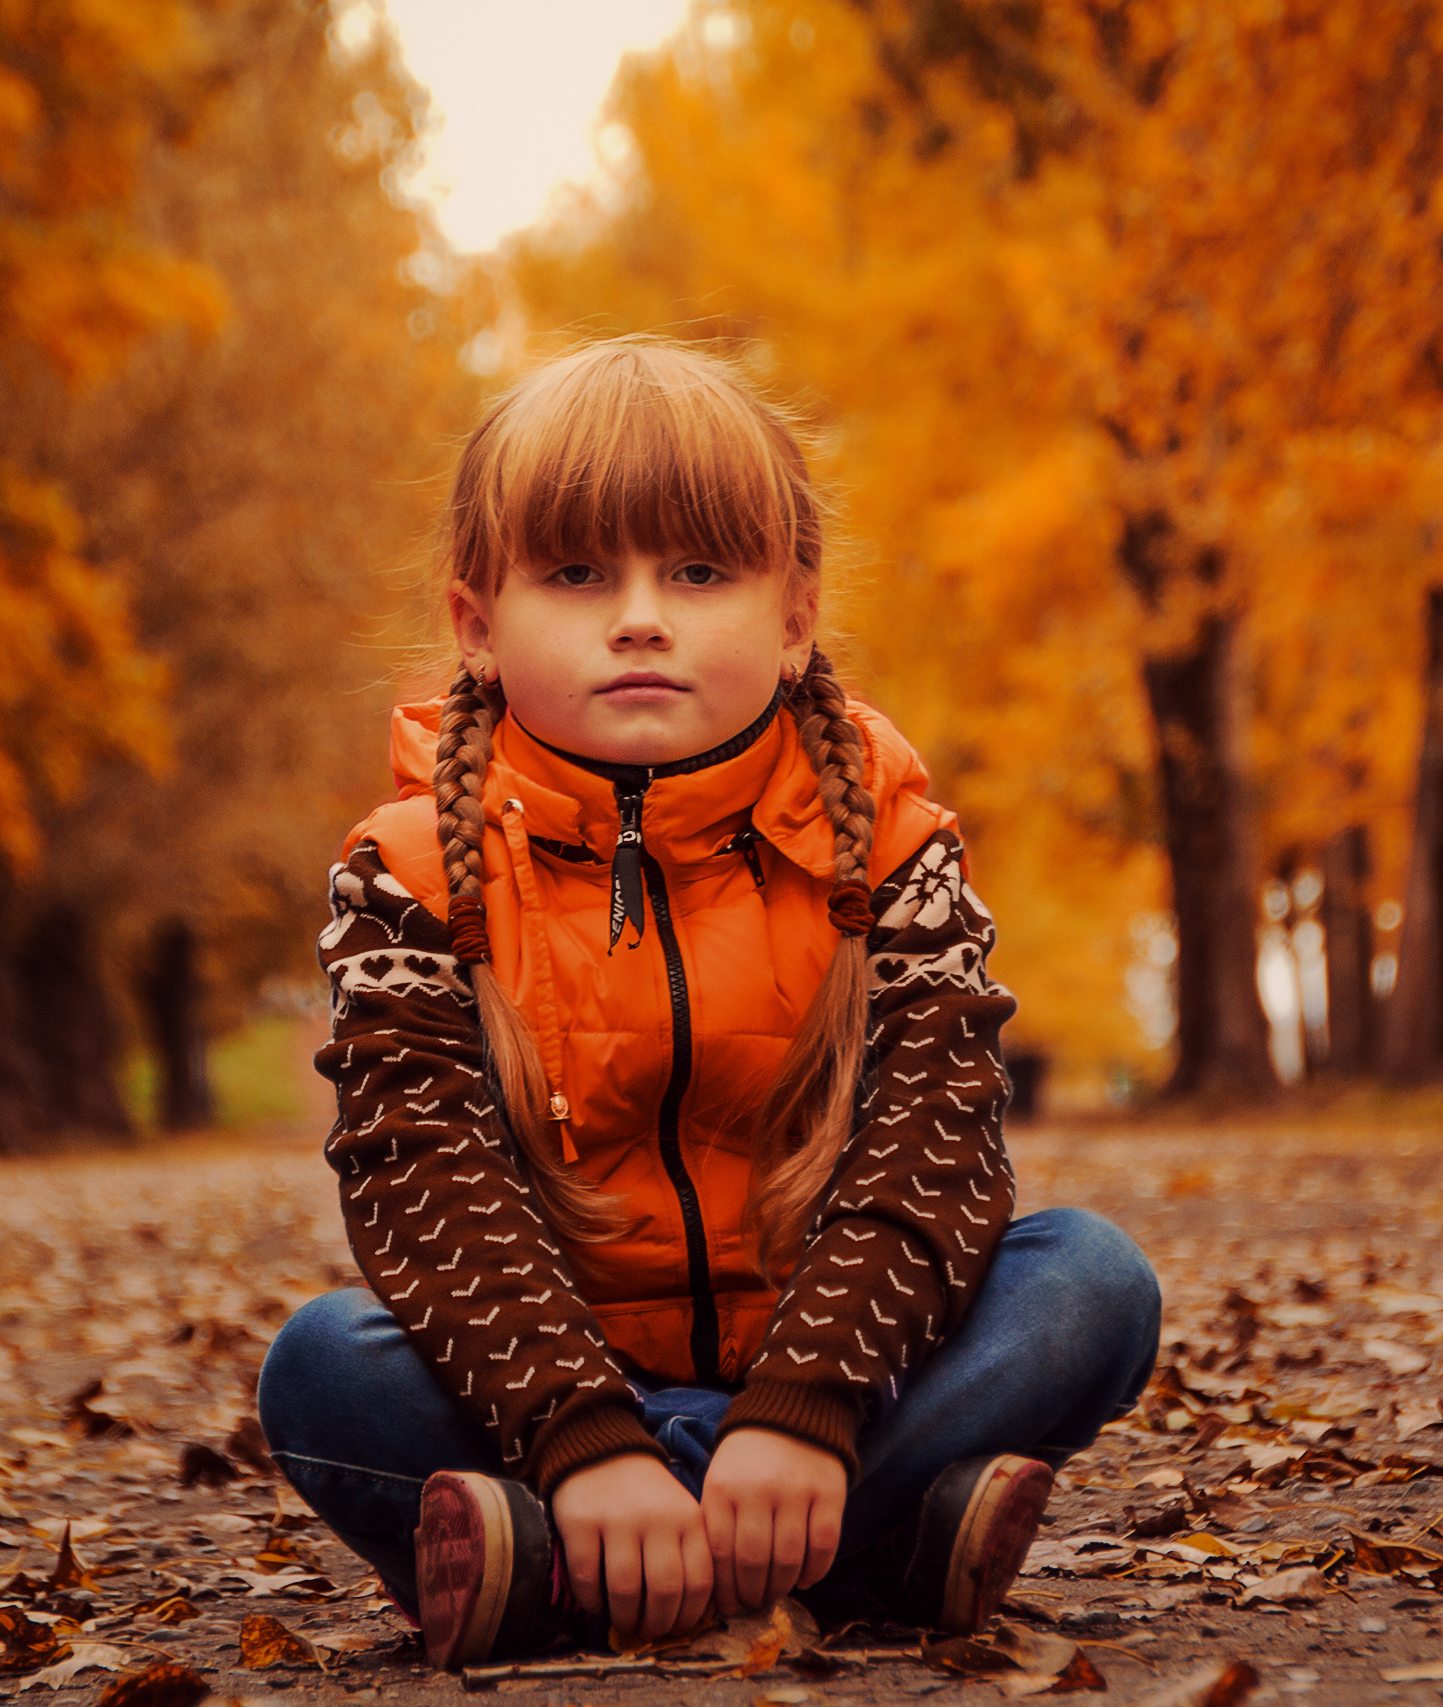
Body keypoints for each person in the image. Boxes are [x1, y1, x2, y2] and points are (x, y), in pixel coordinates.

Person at [256, 337, 1162, 1671]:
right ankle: (857, 1556)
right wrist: (586, 1440)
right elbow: (425, 1186)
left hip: (850, 1377)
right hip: (552, 1404)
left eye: (696, 572)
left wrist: (804, 1409)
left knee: (1091, 1283)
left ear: (795, 617)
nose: (640, 615)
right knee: (325, 1367)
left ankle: (574, 1582)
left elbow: (939, 1149)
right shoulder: (405, 874)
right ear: (477, 626)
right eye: (577, 574)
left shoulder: (894, 851)